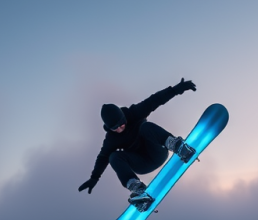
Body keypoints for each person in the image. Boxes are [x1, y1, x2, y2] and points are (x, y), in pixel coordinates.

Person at [78, 78, 197, 211]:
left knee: (145, 127)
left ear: (124, 117)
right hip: (141, 164)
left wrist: (175, 90)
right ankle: (138, 190)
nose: (120, 128)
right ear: (109, 128)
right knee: (113, 157)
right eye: (115, 128)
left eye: (122, 123)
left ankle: (178, 147)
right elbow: (102, 157)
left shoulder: (134, 113)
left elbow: (153, 101)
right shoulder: (111, 139)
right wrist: (94, 178)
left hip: (157, 152)